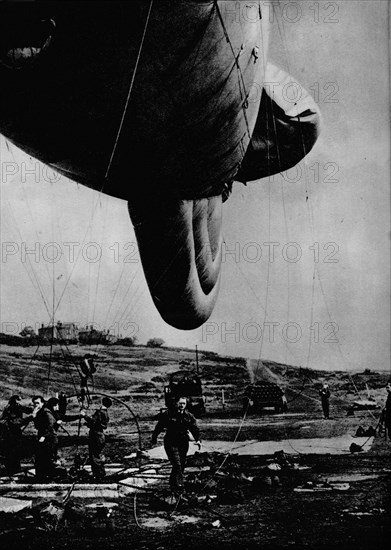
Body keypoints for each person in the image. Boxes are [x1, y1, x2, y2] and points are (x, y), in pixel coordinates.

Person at [151, 396, 201, 496]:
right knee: (177, 463)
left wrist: (198, 440)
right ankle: (179, 487)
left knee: (181, 464)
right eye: (180, 403)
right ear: (176, 404)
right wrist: (154, 438)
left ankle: (173, 484)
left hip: (183, 442)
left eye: (184, 403)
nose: (181, 405)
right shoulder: (168, 414)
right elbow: (159, 427)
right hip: (171, 442)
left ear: (186, 405)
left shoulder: (188, 416)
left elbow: (195, 429)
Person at [0, 395, 32, 475]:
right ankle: (12, 469)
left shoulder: (16, 406)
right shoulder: (12, 408)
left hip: (14, 431)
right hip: (10, 432)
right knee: (12, 449)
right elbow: (15, 421)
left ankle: (14, 467)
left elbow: (26, 410)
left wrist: (32, 410)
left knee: (15, 449)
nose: (20, 401)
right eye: (19, 400)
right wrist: (28, 418)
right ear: (16, 400)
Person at [83, 396, 112, 480]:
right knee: (97, 454)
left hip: (95, 435)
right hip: (100, 435)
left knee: (94, 455)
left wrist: (84, 415)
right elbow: (98, 423)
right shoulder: (105, 413)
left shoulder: (100, 412)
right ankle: (100, 473)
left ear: (102, 402)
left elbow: (93, 421)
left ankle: (98, 475)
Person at [30, 395, 58, 482]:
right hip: (44, 437)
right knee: (40, 458)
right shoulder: (39, 412)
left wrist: (43, 436)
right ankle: (41, 478)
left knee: (46, 458)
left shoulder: (45, 412)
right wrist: (34, 417)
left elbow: (50, 424)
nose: (36, 405)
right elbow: (38, 426)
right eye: (34, 404)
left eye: (38, 403)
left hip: (49, 438)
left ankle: (47, 479)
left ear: (42, 403)